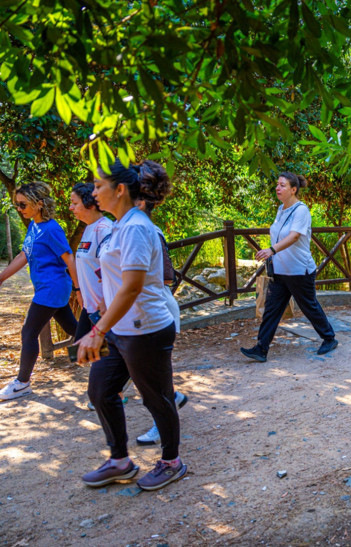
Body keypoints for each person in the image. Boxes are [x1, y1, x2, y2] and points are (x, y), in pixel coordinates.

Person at [77, 159, 187, 491]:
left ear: (120, 189)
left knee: (157, 398)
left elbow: (132, 287)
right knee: (101, 391)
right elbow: (114, 281)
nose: (94, 192)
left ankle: (171, 462)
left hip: (146, 330)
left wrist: (97, 331)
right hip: (119, 330)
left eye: (99, 185)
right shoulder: (119, 225)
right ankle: (120, 461)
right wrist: (102, 321)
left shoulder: (136, 227)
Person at [241, 172, 338, 362]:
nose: (278, 188)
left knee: (309, 306)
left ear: (293, 190)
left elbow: (294, 236)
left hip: (299, 270)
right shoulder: (281, 209)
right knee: (272, 309)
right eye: (277, 184)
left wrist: (271, 250)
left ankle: (329, 338)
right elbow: (279, 234)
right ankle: (261, 348)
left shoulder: (301, 211)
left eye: (282, 185)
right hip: (280, 270)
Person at [0, 182, 80, 400]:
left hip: (52, 288)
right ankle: (112, 354)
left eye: (23, 204)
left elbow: (69, 258)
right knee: (73, 328)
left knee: (29, 331)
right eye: (17, 205)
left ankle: (22, 383)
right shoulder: (34, 227)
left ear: (39, 204)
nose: (19, 209)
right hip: (49, 289)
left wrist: (78, 288)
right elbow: (23, 255)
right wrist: (2, 277)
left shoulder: (52, 229)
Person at [132, 196, 189, 445]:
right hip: (132, 317)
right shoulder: (125, 229)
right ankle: (171, 399)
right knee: (141, 374)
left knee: (152, 376)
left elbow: (167, 276)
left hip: (154, 313)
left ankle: (163, 422)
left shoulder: (146, 230)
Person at [69, 183, 113, 341]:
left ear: (90, 204)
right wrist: (79, 291)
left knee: (95, 353)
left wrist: (105, 301)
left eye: (75, 203)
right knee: (82, 349)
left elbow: (113, 269)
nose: (70, 208)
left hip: (105, 310)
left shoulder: (105, 229)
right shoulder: (88, 228)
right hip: (90, 307)